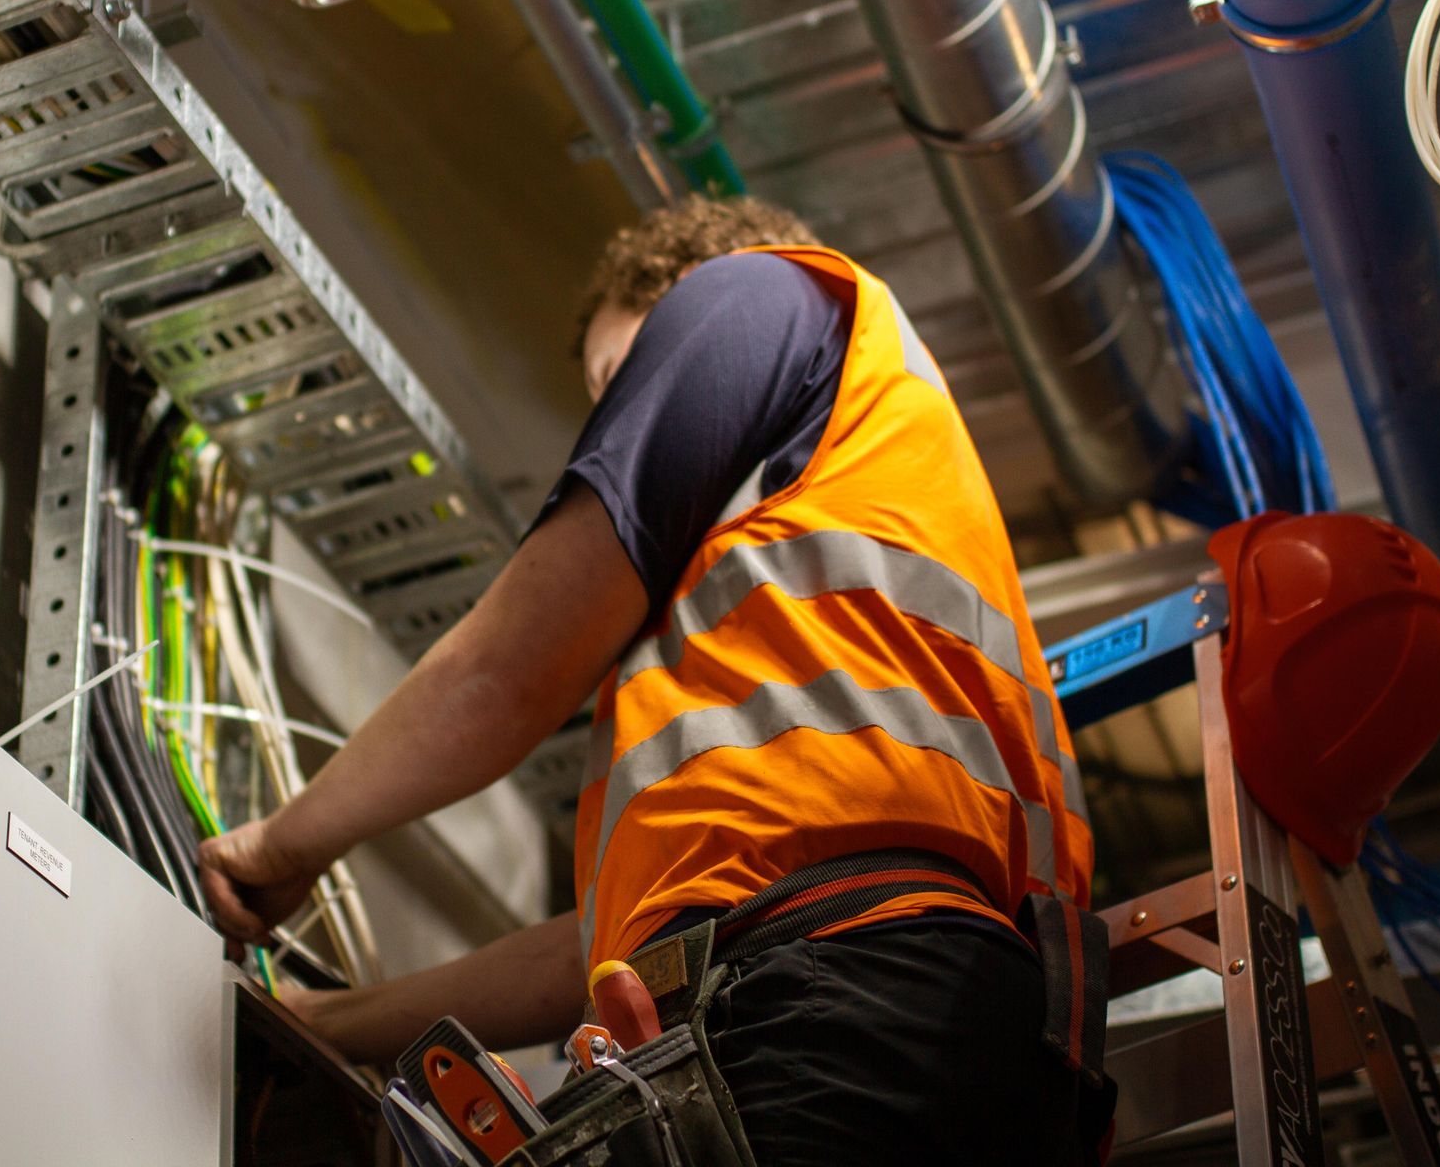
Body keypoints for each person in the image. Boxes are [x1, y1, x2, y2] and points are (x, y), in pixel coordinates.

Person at [199, 196, 1098, 1165]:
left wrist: (279, 844)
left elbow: (506, 670)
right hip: (974, 1043)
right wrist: (328, 1021)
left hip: (831, 999)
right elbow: (598, 947)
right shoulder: (844, 628)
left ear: (667, 299)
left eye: (616, 376)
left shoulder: (754, 295)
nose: (620, 414)